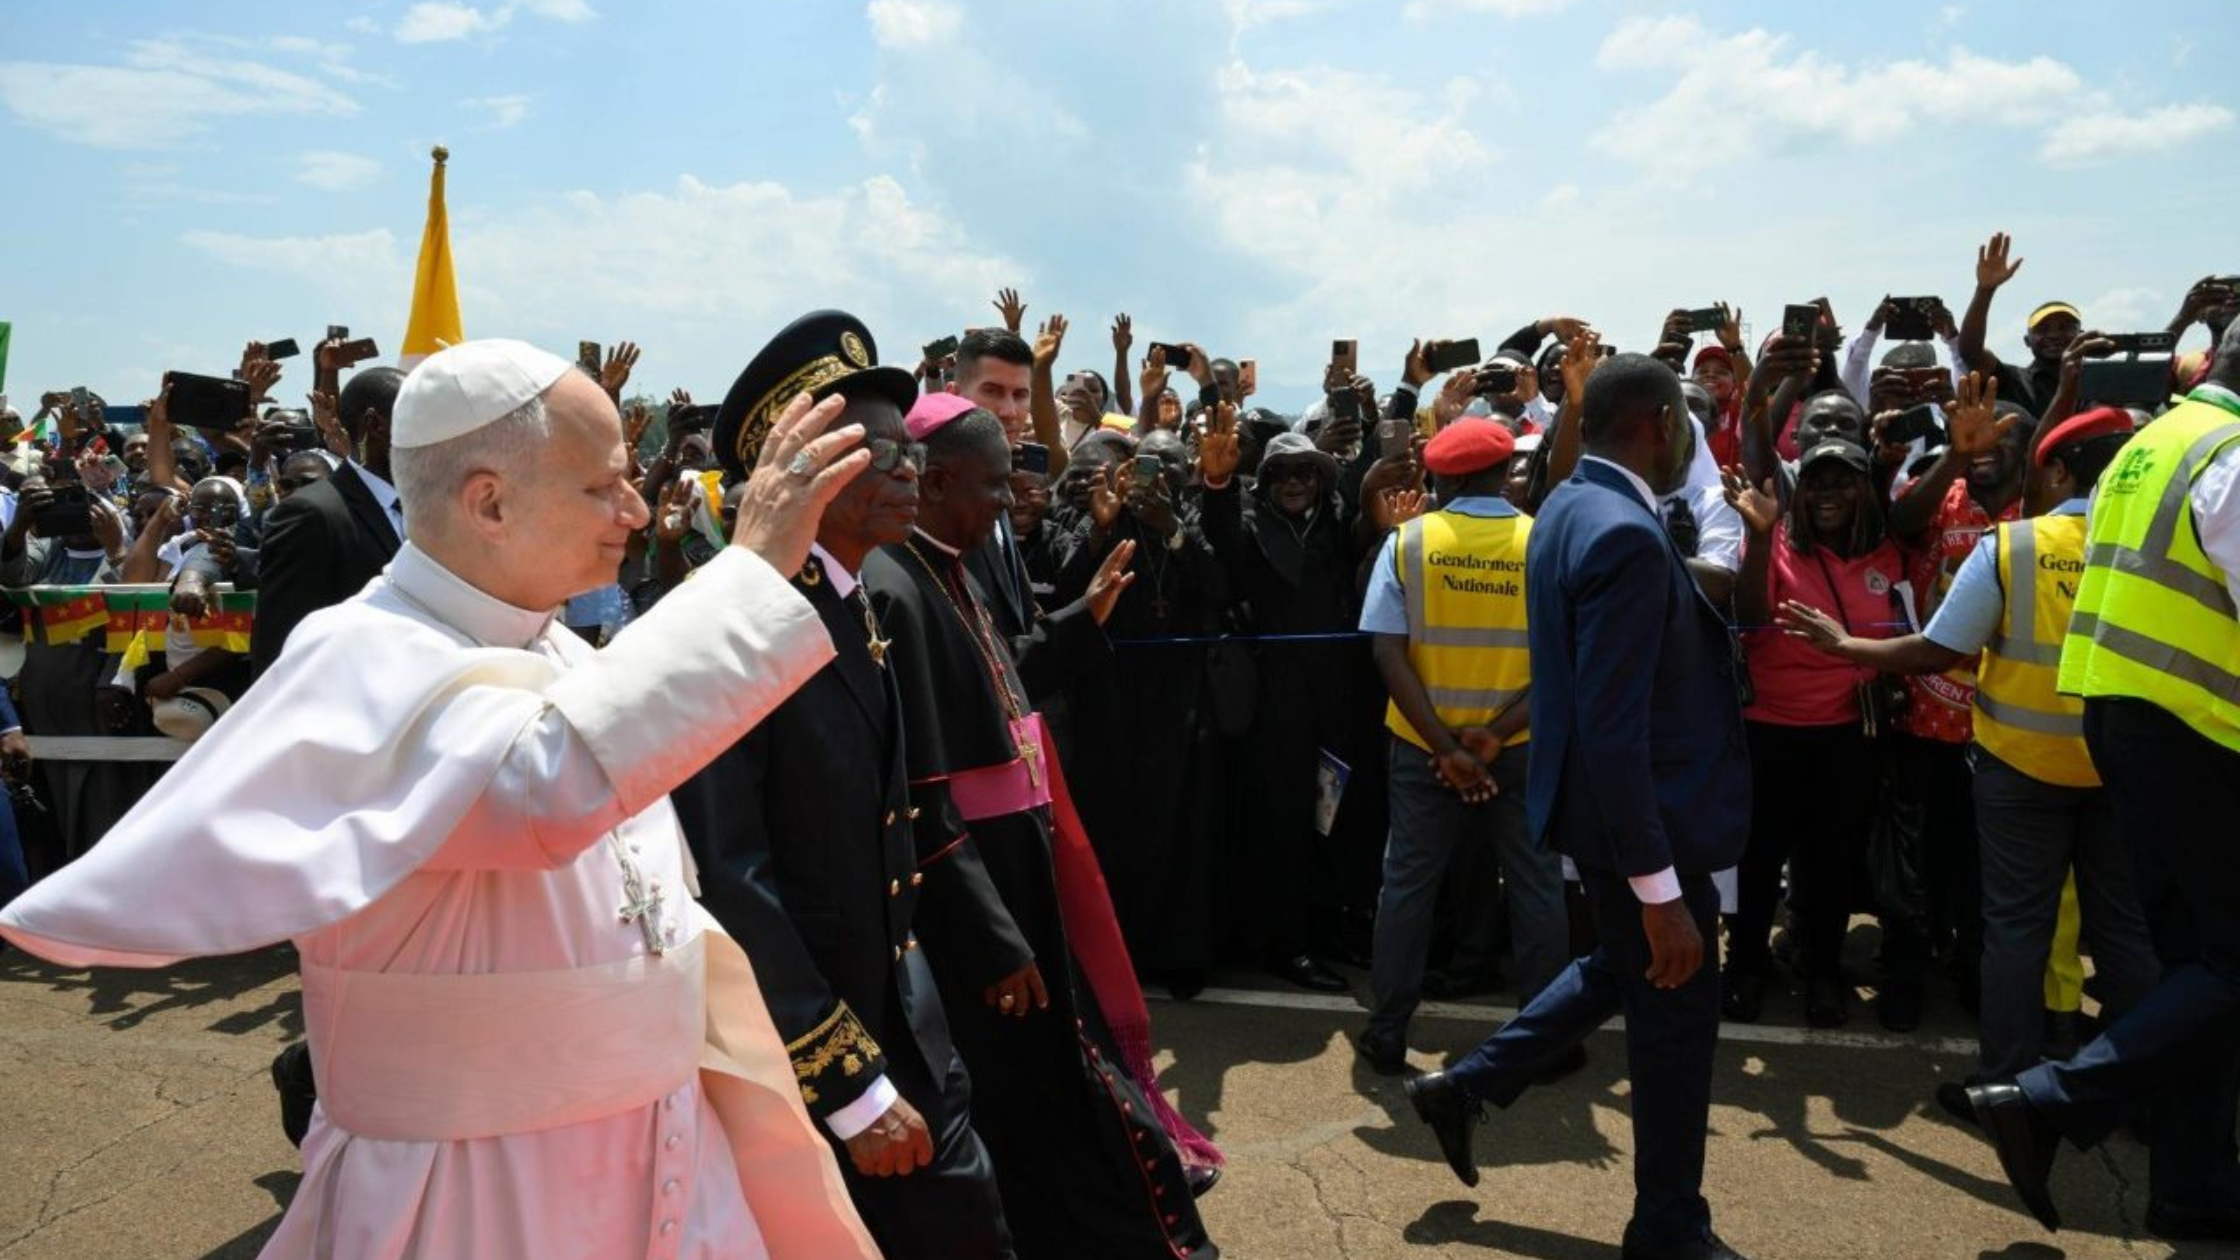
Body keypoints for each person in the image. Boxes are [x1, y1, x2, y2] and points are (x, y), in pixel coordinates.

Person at [0, 339, 883, 1259]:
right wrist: (749, 573)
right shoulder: (357, 654)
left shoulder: (559, 647)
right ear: (489, 502)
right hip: (470, 1194)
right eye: (603, 485)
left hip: (668, 1155)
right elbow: (542, 788)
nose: (632, 508)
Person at [678, 312, 1013, 1259]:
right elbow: (731, 877)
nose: (909, 473)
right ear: (802, 469)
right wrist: (845, 1080)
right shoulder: (735, 624)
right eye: (881, 454)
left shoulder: (853, 594)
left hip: (898, 1009)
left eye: (911, 453)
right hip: (816, 1043)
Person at [1404, 355, 1754, 1260]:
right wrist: (1661, 890)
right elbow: (1613, 728)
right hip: (1643, 822)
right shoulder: (1625, 532)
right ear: (1660, 424)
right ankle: (1669, 1227)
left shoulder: (1565, 502)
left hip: (1602, 812)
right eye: (1687, 429)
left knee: (1619, 966)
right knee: (1674, 1022)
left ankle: (1465, 1087)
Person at [864, 395, 1221, 1259]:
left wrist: (1080, 617)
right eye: (994, 486)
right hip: (980, 884)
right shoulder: (895, 585)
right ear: (937, 481)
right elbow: (922, 791)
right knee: (1042, 1083)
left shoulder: (949, 565)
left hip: (1015, 860)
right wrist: (993, 935)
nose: (1007, 503)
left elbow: (1003, 678)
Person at [1778, 401, 2157, 1084]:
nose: (1985, 449)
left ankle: (2005, 1069)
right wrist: (1952, 455)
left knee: (2010, 914)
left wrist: (1846, 646)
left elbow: (1936, 646)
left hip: (2014, 756)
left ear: (2046, 469)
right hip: (1990, 737)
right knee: (1928, 870)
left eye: (2008, 441)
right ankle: (2138, 1084)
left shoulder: (2020, 538)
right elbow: (1900, 522)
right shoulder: (2138, 546)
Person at [1967, 320, 2240, 1243]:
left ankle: (2195, 1187)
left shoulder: (2157, 441)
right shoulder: (2228, 454)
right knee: (2227, 965)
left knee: (2196, 970)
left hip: (2131, 726)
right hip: (2203, 730)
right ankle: (2052, 1097)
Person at [1356, 418, 1569, 1077]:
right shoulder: (1542, 542)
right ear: (1504, 474)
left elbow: (1387, 652)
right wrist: (1493, 736)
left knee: (1407, 887)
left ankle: (1388, 1033)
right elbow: (1565, 662)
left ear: (1443, 480)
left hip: (1423, 750)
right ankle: (1545, 1042)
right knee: (1536, 888)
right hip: (1518, 747)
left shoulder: (1409, 541)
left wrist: (1446, 747)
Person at [1723, 432, 1908, 1029]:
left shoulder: (1887, 553)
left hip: (1848, 735)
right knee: (1758, 859)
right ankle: (1746, 966)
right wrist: (1757, 537)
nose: (1828, 492)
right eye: (1817, 481)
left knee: (1831, 860)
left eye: (1843, 481)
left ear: (1864, 491)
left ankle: (1823, 970)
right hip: (1770, 731)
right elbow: (1750, 620)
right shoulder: (1774, 540)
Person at [250, 365, 405, 678]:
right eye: (418, 418)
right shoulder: (310, 515)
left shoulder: (432, 507)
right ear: (375, 425)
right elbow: (281, 651)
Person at [1958, 231, 2079, 419]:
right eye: (2042, 329)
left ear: (2082, 335)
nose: (2054, 335)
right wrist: (1985, 290)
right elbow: (1971, 353)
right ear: (2027, 341)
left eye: (2064, 327)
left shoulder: (2101, 381)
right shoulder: (2014, 380)